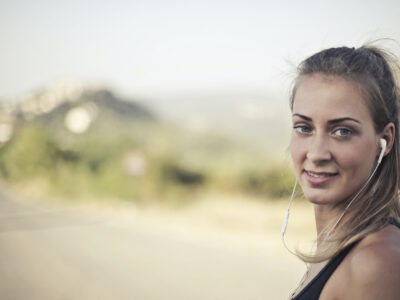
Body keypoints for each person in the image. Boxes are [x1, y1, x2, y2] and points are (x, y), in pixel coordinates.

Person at [283, 44, 400, 299]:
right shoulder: (342, 246)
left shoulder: (376, 262)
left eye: (342, 131)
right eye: (304, 127)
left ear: (386, 140)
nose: (316, 153)